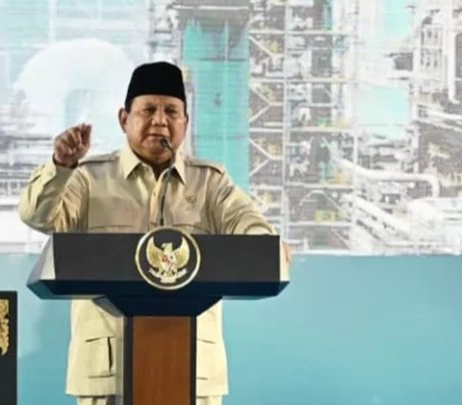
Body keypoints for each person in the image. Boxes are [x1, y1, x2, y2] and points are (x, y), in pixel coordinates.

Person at [19, 61, 291, 405]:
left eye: (171, 111)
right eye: (148, 110)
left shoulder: (210, 182)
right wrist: (61, 167)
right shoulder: (88, 178)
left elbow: (248, 224)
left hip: (193, 372)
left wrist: (265, 247)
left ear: (185, 122)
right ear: (124, 119)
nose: (160, 120)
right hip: (107, 373)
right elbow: (38, 216)